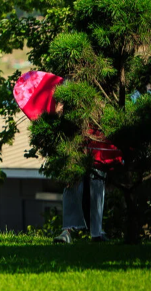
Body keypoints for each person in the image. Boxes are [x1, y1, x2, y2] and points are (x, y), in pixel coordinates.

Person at [13, 70, 121, 243]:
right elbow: (57, 110)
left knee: (97, 181)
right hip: (76, 138)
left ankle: (96, 232)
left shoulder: (102, 81)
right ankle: (69, 230)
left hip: (97, 137)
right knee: (72, 181)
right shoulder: (68, 83)